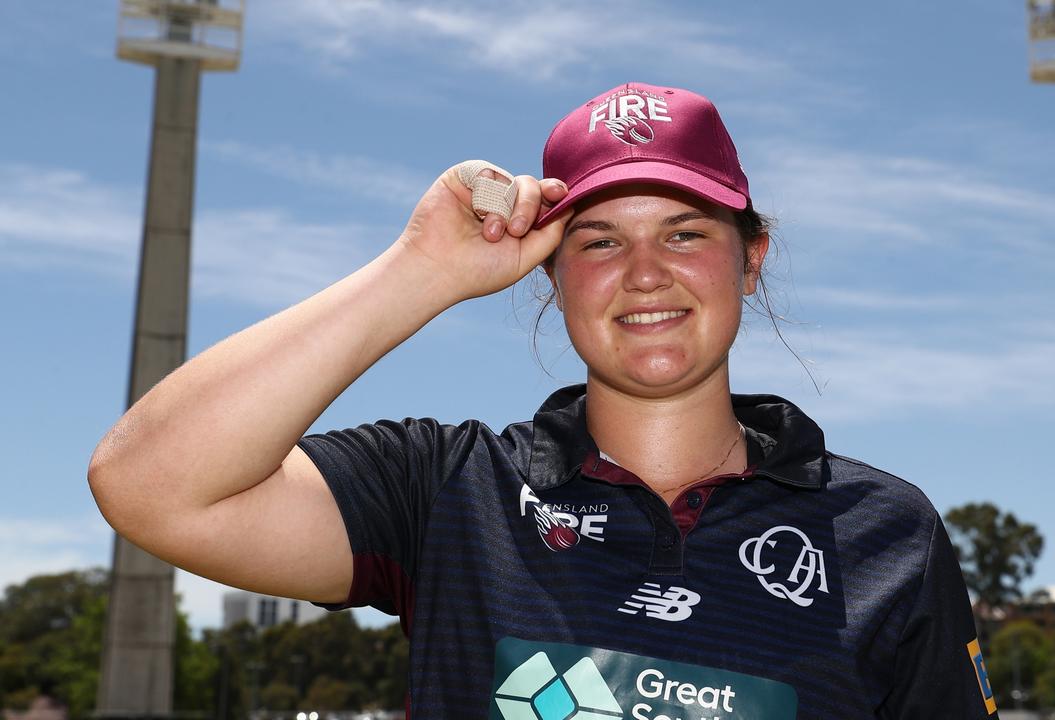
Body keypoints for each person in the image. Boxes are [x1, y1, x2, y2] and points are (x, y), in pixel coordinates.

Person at [89, 82, 999, 719]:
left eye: (685, 233)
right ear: (548, 274)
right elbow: (148, 484)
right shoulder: (450, 491)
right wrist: (419, 273)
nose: (646, 273)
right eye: (599, 242)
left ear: (750, 259)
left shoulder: (887, 531)